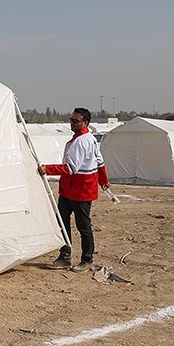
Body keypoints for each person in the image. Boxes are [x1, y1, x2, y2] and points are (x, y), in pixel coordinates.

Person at [38, 107, 110, 273]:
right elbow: (100, 161)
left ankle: (87, 259)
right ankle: (65, 256)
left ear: (85, 123)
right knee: (62, 222)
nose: (71, 123)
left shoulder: (82, 141)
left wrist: (47, 169)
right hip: (69, 189)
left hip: (81, 189)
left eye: (75, 121)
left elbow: (71, 168)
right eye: (71, 120)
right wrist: (104, 180)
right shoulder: (86, 138)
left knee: (83, 225)